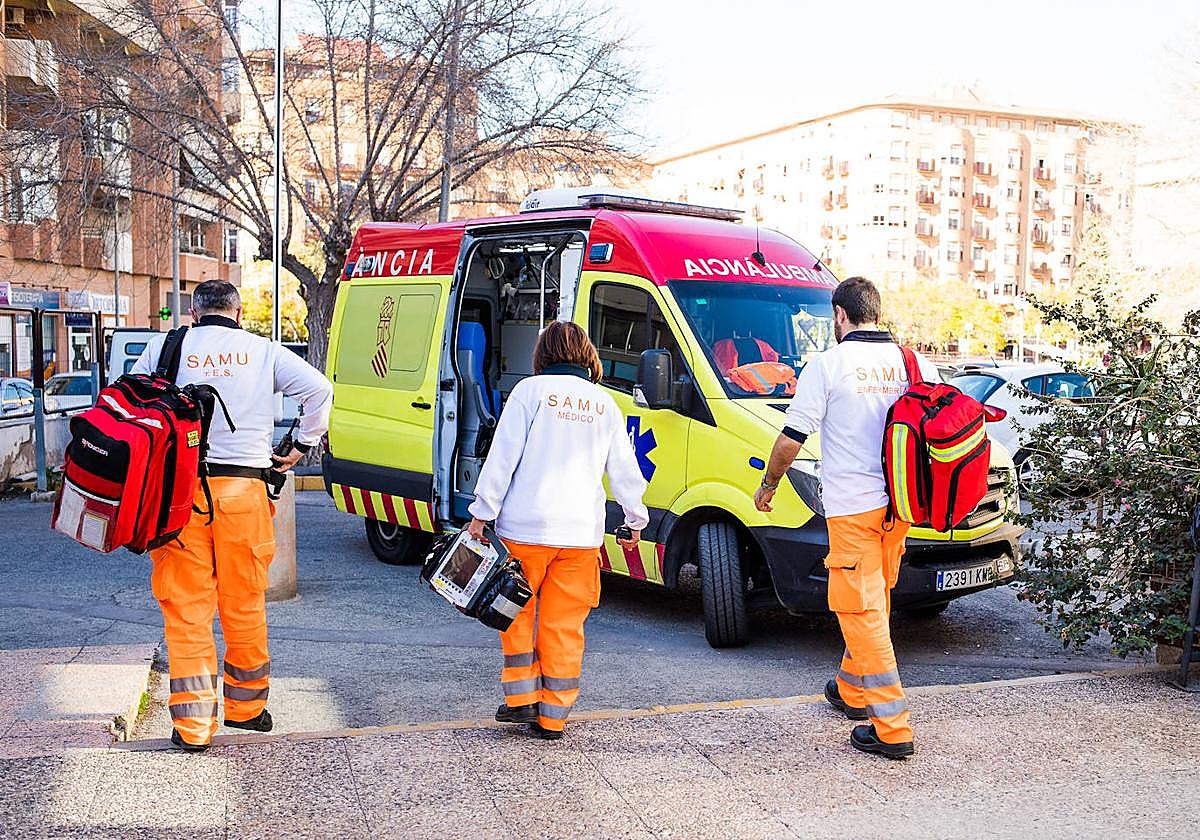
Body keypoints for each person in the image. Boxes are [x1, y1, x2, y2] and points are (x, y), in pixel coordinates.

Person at [131, 280, 332, 752]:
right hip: (244, 491)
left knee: (187, 610)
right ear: (238, 313)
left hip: (179, 497)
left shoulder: (166, 348)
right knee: (244, 602)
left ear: (195, 313)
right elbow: (320, 389)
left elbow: (132, 406)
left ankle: (194, 728)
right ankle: (246, 707)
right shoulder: (262, 350)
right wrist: (301, 445)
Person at [754, 276, 938, 760]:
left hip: (854, 508)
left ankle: (892, 727)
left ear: (840, 315)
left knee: (861, 611)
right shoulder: (913, 361)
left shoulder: (828, 365)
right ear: (876, 312)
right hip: (900, 509)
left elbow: (793, 436)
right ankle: (851, 690)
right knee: (873, 600)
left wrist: (769, 484)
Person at [466, 321, 648, 740]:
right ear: (586, 354)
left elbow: (502, 459)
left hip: (525, 529)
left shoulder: (529, 393)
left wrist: (481, 515)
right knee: (564, 625)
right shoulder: (605, 404)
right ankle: (552, 717)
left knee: (515, 612)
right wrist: (634, 520)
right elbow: (624, 470)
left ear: (543, 354)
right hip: (581, 536)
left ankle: (520, 701)